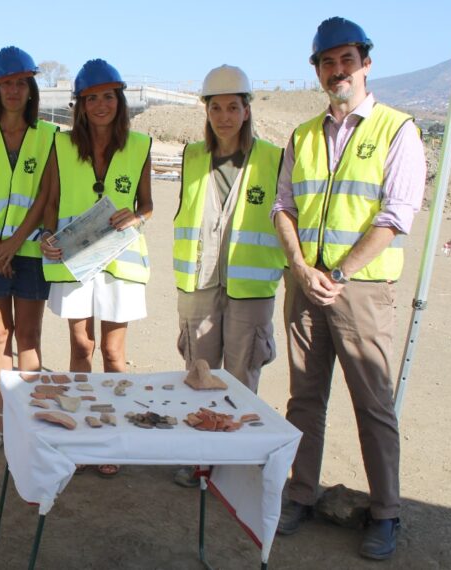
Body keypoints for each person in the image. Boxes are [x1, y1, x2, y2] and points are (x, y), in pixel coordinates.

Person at [271, 17, 425, 560]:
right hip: (305, 285)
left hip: (359, 291)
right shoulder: (303, 135)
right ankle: (300, 493)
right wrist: (299, 266)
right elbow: (283, 206)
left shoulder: (397, 130)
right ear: (317, 70)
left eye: (347, 60)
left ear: (366, 63)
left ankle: (385, 512)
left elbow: (396, 215)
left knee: (372, 403)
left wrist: (339, 274)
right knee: (304, 400)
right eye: (327, 62)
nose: (338, 70)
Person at [171, 65, 285, 488]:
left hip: (250, 289)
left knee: (241, 378)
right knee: (199, 374)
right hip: (198, 284)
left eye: (233, 107)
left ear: (246, 110)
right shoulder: (192, 157)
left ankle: (233, 463)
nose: (224, 117)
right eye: (216, 108)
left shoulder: (274, 159)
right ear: (206, 110)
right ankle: (200, 461)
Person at [40, 59, 152, 478]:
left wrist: (137, 217)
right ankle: (84, 433)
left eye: (108, 97)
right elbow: (51, 200)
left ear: (119, 101)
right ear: (81, 106)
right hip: (76, 262)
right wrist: (45, 234)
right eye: (91, 99)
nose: (101, 105)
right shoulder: (61, 145)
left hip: (120, 263)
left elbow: (147, 204)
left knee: (114, 353)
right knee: (81, 348)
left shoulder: (139, 145)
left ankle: (114, 434)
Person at [0, 47, 59, 451]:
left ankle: (29, 415)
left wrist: (14, 245)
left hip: (30, 250)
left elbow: (45, 195)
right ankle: (2, 414)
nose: (14, 90)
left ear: (31, 87)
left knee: (30, 336)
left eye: (21, 83)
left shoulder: (49, 136)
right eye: (6, 84)